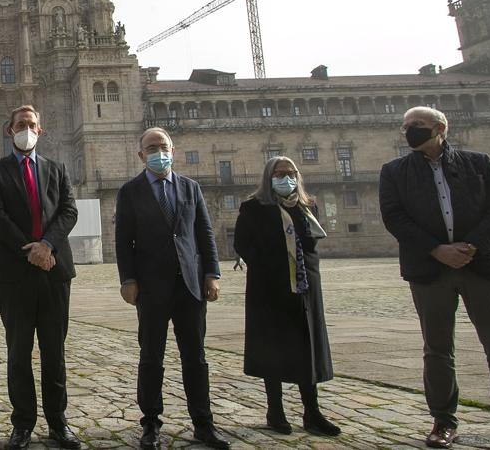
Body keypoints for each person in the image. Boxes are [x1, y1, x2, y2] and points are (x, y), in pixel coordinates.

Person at [380, 107, 490, 450]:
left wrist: (471, 246)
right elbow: (395, 218)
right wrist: (436, 250)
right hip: (430, 270)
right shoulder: (394, 171)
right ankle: (443, 423)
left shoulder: (478, 162)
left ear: (440, 127)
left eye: (417, 126)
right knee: (437, 350)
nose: (409, 131)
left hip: (479, 265)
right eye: (405, 127)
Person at [115, 127, 230, 450]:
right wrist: (128, 280)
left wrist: (212, 274)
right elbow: (123, 241)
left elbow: (204, 233)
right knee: (151, 357)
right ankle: (150, 424)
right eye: (151, 147)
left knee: (196, 358)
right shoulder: (130, 191)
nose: (157, 152)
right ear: (140, 155)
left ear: (173, 150)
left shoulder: (191, 188)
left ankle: (203, 424)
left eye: (162, 146)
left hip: (190, 285)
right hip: (150, 287)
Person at [0, 105, 81, 450]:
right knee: (18, 351)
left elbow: (69, 210)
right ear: (10, 131)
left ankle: (58, 423)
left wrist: (48, 245)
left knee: (55, 351)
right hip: (14, 271)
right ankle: (22, 424)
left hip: (54, 270)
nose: (26, 129)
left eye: (32, 124)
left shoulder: (57, 169)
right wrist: (32, 249)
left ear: (41, 131)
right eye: (20, 124)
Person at [233, 157, 340, 437]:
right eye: (280, 174)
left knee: (308, 346)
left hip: (304, 288)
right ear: (269, 177)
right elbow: (242, 244)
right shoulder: (253, 207)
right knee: (272, 348)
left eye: (291, 173)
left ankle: (312, 412)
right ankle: (275, 411)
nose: (286, 178)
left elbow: (312, 242)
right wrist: (273, 266)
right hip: (269, 288)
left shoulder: (307, 206)